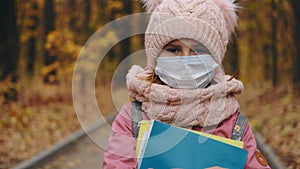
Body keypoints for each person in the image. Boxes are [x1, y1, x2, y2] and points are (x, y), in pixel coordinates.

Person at [102, 0, 271, 168]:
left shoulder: (234, 124)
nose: (185, 59)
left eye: (198, 50)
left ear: (215, 58)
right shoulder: (132, 118)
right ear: (155, 57)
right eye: (174, 49)